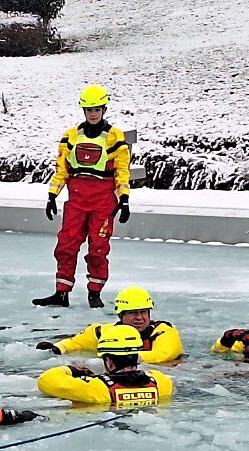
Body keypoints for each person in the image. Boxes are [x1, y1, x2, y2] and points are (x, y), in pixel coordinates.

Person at [33, 84, 132, 309]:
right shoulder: (71, 136)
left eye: (97, 109)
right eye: (89, 109)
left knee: (98, 247)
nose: (93, 113)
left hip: (103, 198)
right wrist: (52, 195)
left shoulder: (115, 136)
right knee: (66, 245)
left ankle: (94, 293)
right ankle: (61, 292)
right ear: (83, 111)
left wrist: (124, 198)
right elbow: (62, 169)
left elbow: (122, 171)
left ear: (104, 109)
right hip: (76, 197)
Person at [35, 286, 182, 364]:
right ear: (120, 315)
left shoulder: (163, 331)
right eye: (133, 313)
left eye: (143, 312)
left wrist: (125, 358)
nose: (139, 318)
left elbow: (163, 355)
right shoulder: (102, 332)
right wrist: (57, 349)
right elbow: (76, 343)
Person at [37, 324, 173, 407]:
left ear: (109, 361)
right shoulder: (161, 383)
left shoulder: (96, 389)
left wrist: (74, 369)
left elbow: (47, 380)